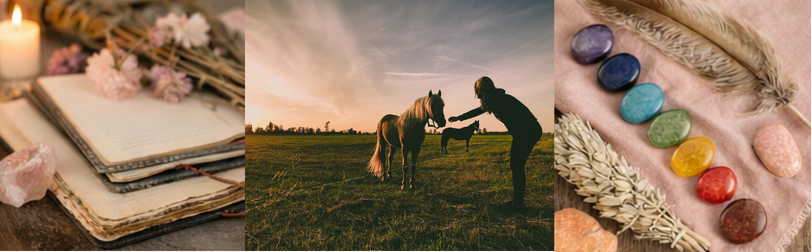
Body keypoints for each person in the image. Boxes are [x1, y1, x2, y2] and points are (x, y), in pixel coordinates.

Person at [448, 76, 542, 209]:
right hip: (529, 130)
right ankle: (518, 202)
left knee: (516, 165)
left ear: (482, 89)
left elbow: (511, 115)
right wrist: (460, 118)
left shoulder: (493, 99)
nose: (476, 94)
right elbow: (479, 110)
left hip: (527, 131)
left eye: (476, 90)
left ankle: (518, 204)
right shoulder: (495, 97)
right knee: (517, 165)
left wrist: (517, 133)